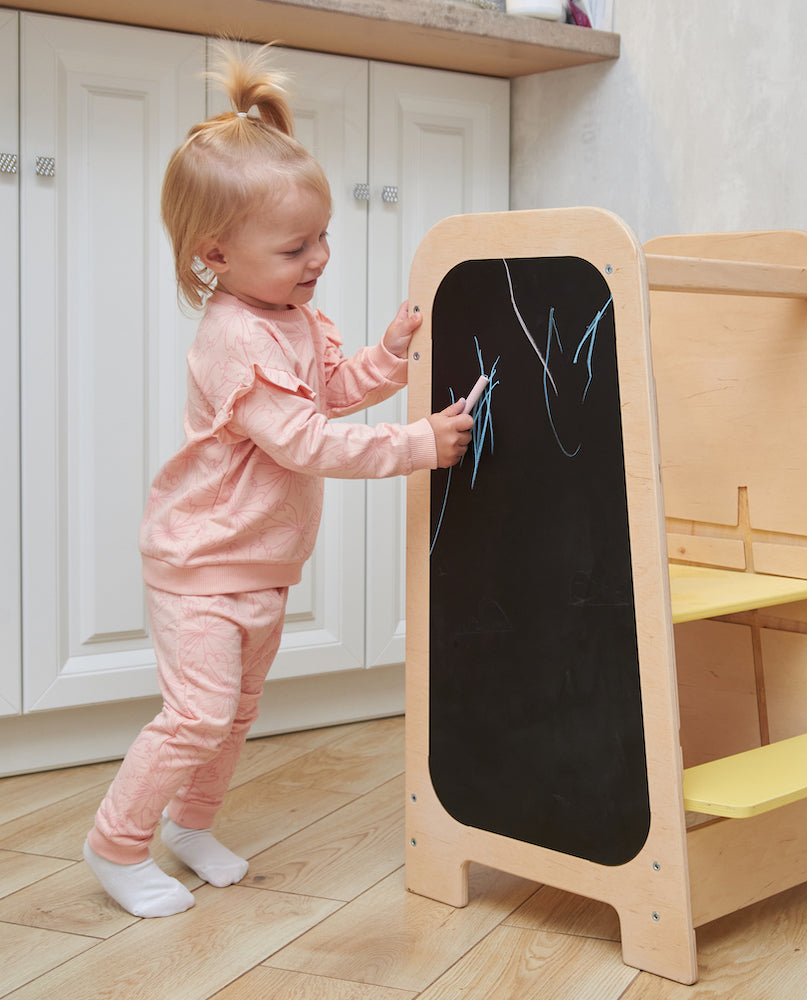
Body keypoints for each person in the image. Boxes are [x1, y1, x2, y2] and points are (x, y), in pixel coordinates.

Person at [83, 44, 473, 918]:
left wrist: (386, 357)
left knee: (234, 713)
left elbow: (329, 391)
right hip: (202, 563)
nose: (320, 257)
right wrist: (417, 443)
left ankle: (191, 825)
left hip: (259, 563)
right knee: (197, 714)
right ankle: (114, 843)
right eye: (296, 245)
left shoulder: (294, 316)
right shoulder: (236, 336)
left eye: (324, 236)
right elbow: (303, 440)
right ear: (214, 254)